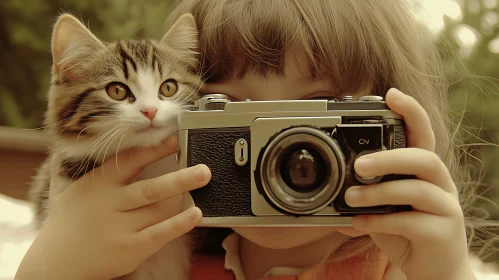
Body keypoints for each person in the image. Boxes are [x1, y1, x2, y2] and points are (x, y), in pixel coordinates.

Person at [14, 0, 495, 279]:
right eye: (226, 106)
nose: (279, 146)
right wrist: (53, 265)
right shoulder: (169, 248)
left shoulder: (400, 263)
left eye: (315, 107)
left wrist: (447, 273)